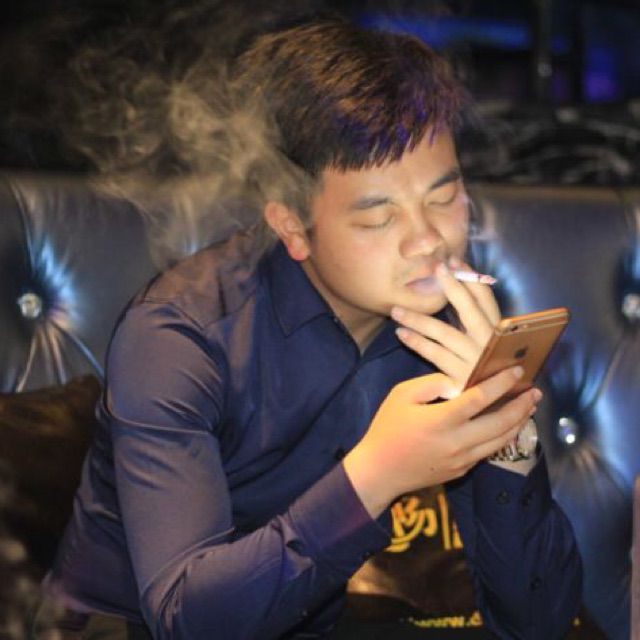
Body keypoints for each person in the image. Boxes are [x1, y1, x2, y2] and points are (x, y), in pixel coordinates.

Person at [41, 19, 582, 640]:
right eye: (378, 218)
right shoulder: (179, 336)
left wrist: (506, 438)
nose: (428, 241)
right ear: (293, 227)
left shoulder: (449, 326)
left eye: (442, 198)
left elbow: (540, 623)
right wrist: (375, 475)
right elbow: (185, 617)